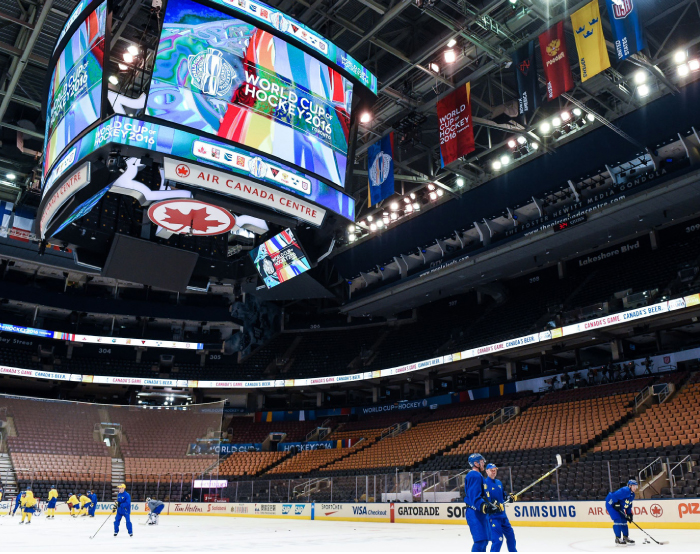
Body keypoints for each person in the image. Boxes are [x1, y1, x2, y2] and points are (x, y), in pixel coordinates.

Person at [465, 453, 502, 552]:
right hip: (474, 512)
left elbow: (484, 496)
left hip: (480, 513)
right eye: (481, 462)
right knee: (480, 541)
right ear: (475, 463)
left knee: (484, 541)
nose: (483, 464)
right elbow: (474, 496)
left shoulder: (479, 476)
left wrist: (492, 504)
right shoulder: (474, 475)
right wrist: (483, 506)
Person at [484, 464, 517, 552]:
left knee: (511, 537)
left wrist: (510, 498)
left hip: (503, 516)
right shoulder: (485, 484)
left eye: (495, 470)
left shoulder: (499, 482)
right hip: (493, 517)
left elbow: (503, 496)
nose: (494, 471)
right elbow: (486, 500)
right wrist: (495, 504)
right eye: (491, 470)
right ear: (487, 471)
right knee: (498, 541)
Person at [605, 479, 638, 546]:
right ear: (629, 486)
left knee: (624, 520)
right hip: (611, 504)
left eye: (636, 486)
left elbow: (629, 504)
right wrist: (616, 503)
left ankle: (625, 537)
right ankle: (618, 538)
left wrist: (629, 514)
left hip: (618, 505)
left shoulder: (632, 495)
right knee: (617, 520)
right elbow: (613, 495)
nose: (635, 488)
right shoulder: (625, 490)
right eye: (633, 486)